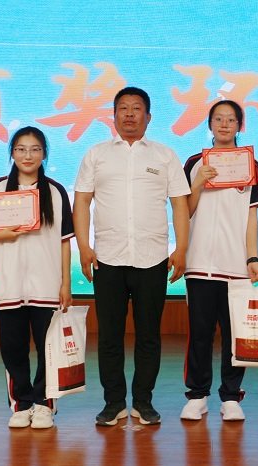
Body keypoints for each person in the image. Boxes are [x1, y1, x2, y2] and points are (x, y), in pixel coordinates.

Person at [73, 86, 190, 426]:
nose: (129, 114)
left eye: (136, 108)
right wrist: (84, 246)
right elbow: (81, 201)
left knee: (149, 336)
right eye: (122, 108)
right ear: (113, 116)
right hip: (107, 258)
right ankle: (113, 403)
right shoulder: (96, 154)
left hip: (152, 258)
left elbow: (179, 204)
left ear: (148, 117)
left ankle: (143, 401)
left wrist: (181, 248)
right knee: (109, 336)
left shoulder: (165, 156)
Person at [0, 126, 74, 429]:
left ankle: (44, 405)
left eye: (34, 149)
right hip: (9, 281)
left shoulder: (55, 191)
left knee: (48, 349)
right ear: (12, 153)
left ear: (44, 154)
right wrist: (4, 235)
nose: (27, 155)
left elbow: (64, 241)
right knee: (13, 347)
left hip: (46, 282)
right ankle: (21, 404)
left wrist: (66, 283)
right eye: (20, 149)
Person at [180, 100, 258, 422]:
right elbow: (184, 212)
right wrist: (197, 184)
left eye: (231, 120)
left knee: (235, 334)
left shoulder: (250, 164)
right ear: (210, 124)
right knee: (200, 333)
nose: (224, 125)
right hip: (199, 264)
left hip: (236, 266)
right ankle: (198, 395)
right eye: (218, 119)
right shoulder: (194, 163)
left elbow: (251, 215)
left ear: (239, 126)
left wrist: (252, 257)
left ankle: (231, 396)